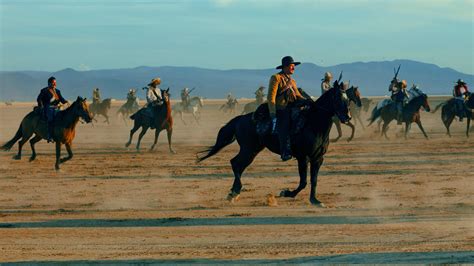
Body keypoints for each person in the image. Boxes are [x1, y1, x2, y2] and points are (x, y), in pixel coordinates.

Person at [267, 56, 305, 161]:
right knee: (284, 125)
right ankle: (284, 151)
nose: (293, 68)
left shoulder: (292, 81)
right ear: (285, 67)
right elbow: (271, 96)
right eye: (291, 66)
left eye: (294, 66)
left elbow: (297, 96)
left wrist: (307, 101)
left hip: (292, 108)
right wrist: (273, 112)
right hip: (281, 108)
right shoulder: (276, 78)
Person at [36, 76, 69, 142]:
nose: (55, 84)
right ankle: (49, 136)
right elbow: (39, 99)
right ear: (49, 83)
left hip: (57, 108)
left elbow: (62, 100)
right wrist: (41, 106)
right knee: (51, 120)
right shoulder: (44, 90)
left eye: (55, 83)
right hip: (48, 108)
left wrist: (66, 102)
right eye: (53, 83)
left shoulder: (57, 91)